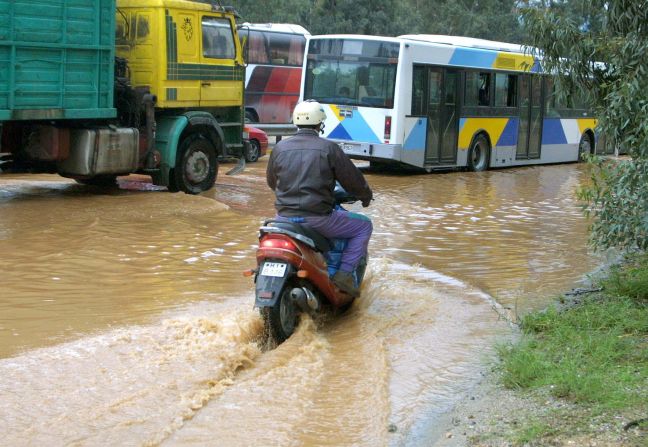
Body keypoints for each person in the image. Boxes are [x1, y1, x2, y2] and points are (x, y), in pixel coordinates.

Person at [266, 100, 373, 296]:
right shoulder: (328, 149)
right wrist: (365, 195)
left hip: (283, 219)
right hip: (318, 219)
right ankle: (344, 274)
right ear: (319, 124)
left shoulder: (280, 148)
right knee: (364, 226)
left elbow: (272, 182)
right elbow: (353, 180)